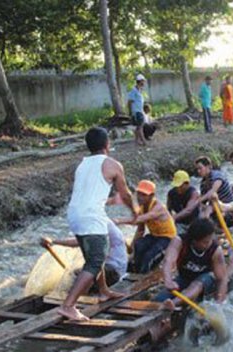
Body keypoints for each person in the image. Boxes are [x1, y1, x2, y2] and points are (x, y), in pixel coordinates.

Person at [62, 127, 136, 321]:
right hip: (91, 217)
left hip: (75, 214)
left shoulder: (82, 164)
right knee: (95, 261)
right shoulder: (112, 164)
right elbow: (125, 193)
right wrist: (134, 210)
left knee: (96, 257)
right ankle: (68, 306)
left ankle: (104, 290)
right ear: (107, 145)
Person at [154, 218, 228, 308]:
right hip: (184, 278)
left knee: (197, 285)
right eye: (205, 242)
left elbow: (222, 279)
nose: (209, 244)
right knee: (158, 299)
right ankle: (167, 304)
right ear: (194, 241)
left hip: (206, 279)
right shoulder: (179, 241)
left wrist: (219, 301)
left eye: (210, 240)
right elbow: (168, 261)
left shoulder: (215, 250)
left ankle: (173, 303)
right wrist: (168, 280)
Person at [41, 219, 128, 288]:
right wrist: (53, 242)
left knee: (79, 274)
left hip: (115, 270)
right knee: (79, 274)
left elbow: (78, 242)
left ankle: (73, 302)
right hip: (109, 267)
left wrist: (54, 242)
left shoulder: (100, 224)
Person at [120, 180, 177, 274]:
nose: (140, 198)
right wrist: (132, 247)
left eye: (143, 195)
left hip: (168, 238)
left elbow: (144, 218)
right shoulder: (142, 208)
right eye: (139, 194)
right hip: (154, 236)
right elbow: (140, 230)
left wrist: (118, 221)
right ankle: (135, 271)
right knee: (139, 246)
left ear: (151, 196)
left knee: (149, 256)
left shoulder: (158, 207)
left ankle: (143, 276)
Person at [127, 74, 147, 146]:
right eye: (143, 81)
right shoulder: (134, 91)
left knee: (137, 127)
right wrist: (130, 112)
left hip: (139, 111)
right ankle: (144, 142)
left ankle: (136, 141)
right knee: (140, 127)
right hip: (136, 111)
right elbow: (129, 102)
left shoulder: (139, 91)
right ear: (140, 81)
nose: (144, 83)